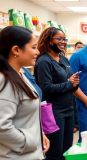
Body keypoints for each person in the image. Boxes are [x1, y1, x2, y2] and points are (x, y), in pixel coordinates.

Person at [0, 26, 49, 159]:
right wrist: (30, 141)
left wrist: (40, 134)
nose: (38, 52)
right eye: (33, 47)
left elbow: (24, 116)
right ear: (16, 50)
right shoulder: (5, 81)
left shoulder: (20, 73)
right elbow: (2, 126)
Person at [35, 27, 79, 160]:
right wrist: (69, 83)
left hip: (68, 109)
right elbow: (46, 88)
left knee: (67, 149)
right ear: (49, 41)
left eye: (64, 39)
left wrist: (75, 82)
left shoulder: (63, 59)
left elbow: (71, 83)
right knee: (55, 151)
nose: (63, 42)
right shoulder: (43, 61)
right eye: (59, 39)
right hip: (54, 111)